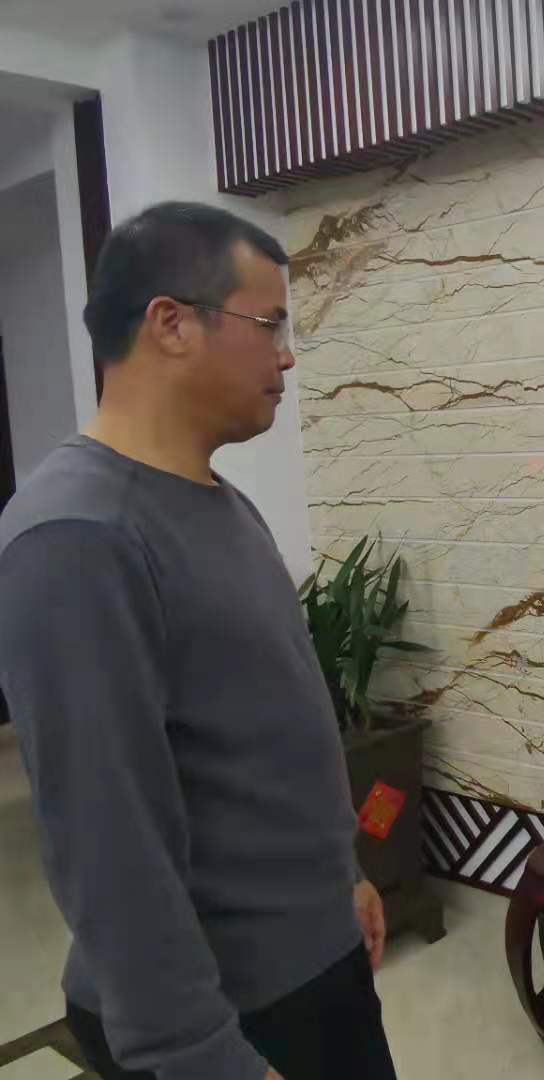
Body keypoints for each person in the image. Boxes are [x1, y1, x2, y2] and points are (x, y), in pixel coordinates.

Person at [0, 203, 397, 1080]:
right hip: (230, 1016)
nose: (286, 356)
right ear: (171, 324)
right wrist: (200, 1057)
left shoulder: (217, 501)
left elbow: (263, 736)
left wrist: (342, 878)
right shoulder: (77, 536)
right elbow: (107, 845)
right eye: (270, 324)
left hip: (311, 962)